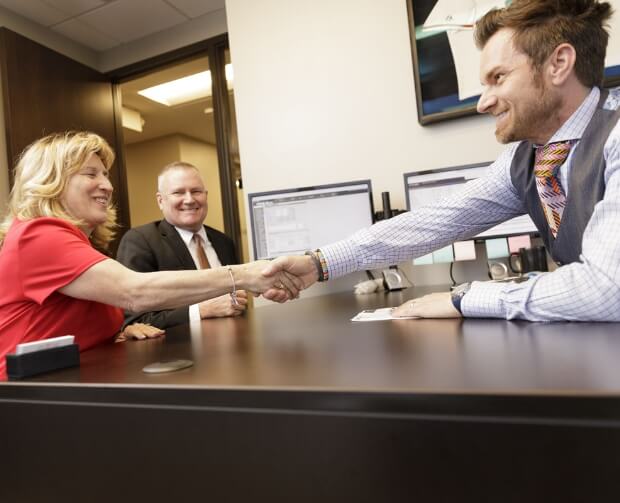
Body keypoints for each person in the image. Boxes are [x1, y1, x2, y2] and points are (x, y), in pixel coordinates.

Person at [263, 0, 620, 322]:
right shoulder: (526, 158)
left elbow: (607, 290)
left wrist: (464, 297)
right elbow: (437, 220)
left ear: (559, 64)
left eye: (498, 78)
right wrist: (320, 263)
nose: (484, 103)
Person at [0, 131, 301, 379]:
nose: (107, 185)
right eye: (91, 173)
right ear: (50, 181)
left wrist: (119, 332)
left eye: (106, 174)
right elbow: (134, 292)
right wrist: (246, 275)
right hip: (22, 399)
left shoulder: (69, 242)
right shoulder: (37, 235)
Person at [117, 162, 246, 329]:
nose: (189, 199)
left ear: (206, 195)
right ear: (160, 200)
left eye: (196, 191)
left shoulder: (224, 242)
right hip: (178, 352)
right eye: (178, 192)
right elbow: (134, 320)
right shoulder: (141, 241)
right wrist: (201, 311)